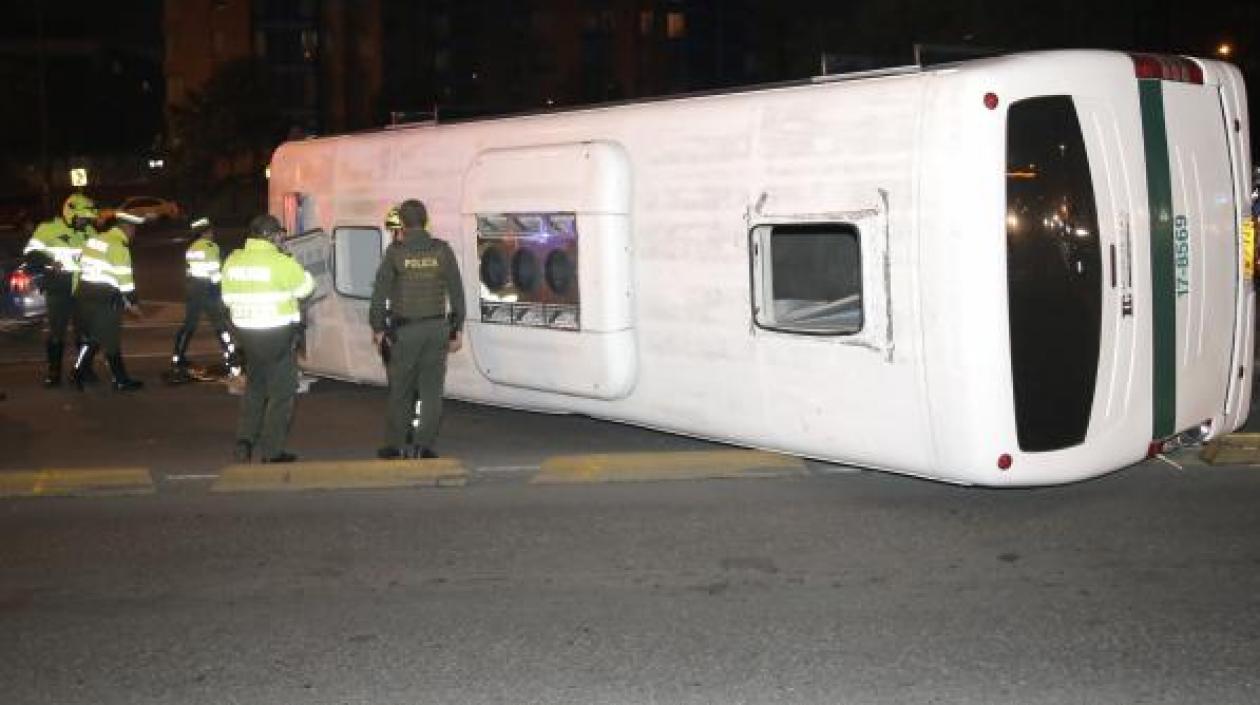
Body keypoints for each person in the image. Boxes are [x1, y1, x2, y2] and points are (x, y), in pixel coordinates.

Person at [369, 199, 465, 459]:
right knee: (432, 391)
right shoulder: (442, 250)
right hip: (436, 330)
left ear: (403, 223)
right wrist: (456, 329)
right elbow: (457, 292)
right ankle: (424, 445)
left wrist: (378, 328)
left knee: (400, 389)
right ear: (425, 221)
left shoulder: (395, 253)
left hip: (406, 332)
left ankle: (395, 445)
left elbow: (379, 295)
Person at [221, 214, 314, 463]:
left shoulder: (233, 260)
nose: (281, 239)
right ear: (269, 236)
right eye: (279, 235)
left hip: (247, 337)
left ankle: (244, 442)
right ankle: (272, 451)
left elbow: (227, 299)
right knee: (282, 393)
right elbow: (306, 289)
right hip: (277, 337)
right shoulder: (281, 262)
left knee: (255, 389)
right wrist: (292, 263)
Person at [23, 193, 95, 387]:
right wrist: (49, 262)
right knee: (57, 333)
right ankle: (54, 373)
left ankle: (83, 369)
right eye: (82, 218)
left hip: (83, 288)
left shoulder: (90, 232)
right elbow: (30, 253)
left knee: (86, 333)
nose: (85, 222)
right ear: (70, 213)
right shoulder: (48, 229)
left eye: (87, 218)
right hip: (58, 288)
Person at [71, 210, 144, 391]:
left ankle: (79, 371)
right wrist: (133, 305)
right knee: (110, 341)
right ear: (126, 228)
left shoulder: (95, 240)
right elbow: (126, 283)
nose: (134, 234)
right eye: (133, 230)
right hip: (105, 299)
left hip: (84, 293)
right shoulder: (119, 247)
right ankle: (119, 380)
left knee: (93, 338)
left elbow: (80, 265)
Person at [167, 217, 238, 382]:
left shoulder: (191, 249)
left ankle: (177, 358)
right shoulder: (210, 247)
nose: (212, 233)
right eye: (210, 231)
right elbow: (214, 274)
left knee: (189, 324)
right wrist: (223, 287)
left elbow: (190, 272)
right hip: (209, 291)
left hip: (194, 290)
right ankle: (231, 356)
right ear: (206, 232)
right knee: (221, 325)